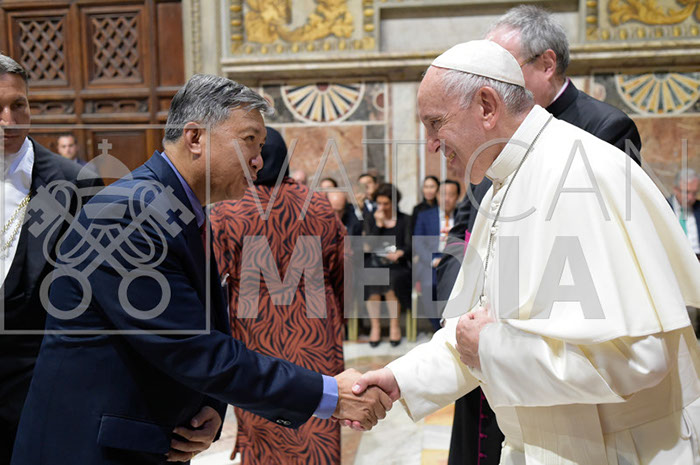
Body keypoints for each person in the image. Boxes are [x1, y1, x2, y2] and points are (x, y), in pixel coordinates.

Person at [10, 74, 391, 465]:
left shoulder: (177, 207)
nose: (258, 161)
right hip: (89, 450)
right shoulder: (129, 214)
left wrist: (208, 405)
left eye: (261, 147)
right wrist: (329, 395)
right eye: (248, 141)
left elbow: (199, 327)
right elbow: (191, 346)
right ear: (195, 138)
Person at [350, 40, 700, 465]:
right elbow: (470, 332)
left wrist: (493, 348)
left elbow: (639, 358)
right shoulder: (503, 182)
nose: (431, 145)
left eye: (435, 123)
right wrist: (398, 379)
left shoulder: (581, 176)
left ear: (486, 106)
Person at [437, 7, 645, 464]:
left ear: (547, 64)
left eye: (505, 68)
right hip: (480, 336)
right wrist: (459, 294)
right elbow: (465, 228)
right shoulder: (487, 131)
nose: (491, 83)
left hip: (546, 353)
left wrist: (499, 320)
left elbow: (594, 255)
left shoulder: (603, 129)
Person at [210, 127, 346, 465]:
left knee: (264, 425)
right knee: (317, 423)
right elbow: (342, 270)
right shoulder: (318, 204)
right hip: (315, 337)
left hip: (256, 339)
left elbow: (212, 282)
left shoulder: (227, 210)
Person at [0, 55, 105, 465]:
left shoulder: (76, 183)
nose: (9, 120)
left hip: (40, 398)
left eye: (19, 105)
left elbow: (101, 297)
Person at [364, 183, 411, 347]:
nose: (382, 207)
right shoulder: (371, 218)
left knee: (392, 279)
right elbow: (368, 246)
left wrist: (400, 253)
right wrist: (378, 225)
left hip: (397, 264)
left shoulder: (405, 219)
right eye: (379, 203)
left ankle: (394, 325)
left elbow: (409, 245)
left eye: (386, 203)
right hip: (375, 262)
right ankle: (375, 326)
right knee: (372, 278)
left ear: (394, 203)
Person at [414, 180, 460, 331]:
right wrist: (432, 260)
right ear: (437, 196)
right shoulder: (425, 216)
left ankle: (453, 326)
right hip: (431, 261)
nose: (446, 199)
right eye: (443, 194)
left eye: (451, 195)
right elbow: (418, 242)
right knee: (429, 285)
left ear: (457, 197)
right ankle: (437, 328)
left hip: (455, 260)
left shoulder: (462, 216)